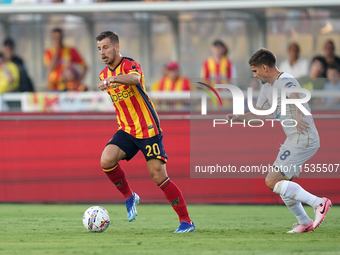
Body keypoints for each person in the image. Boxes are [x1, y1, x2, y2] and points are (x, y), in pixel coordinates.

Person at [96, 31, 195, 233]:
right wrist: (110, 80)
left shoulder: (130, 65)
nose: (102, 52)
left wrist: (114, 79)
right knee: (106, 160)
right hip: (126, 129)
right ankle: (130, 196)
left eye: (105, 47)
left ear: (116, 47)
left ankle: (186, 221)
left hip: (148, 128)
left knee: (158, 176)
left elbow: (134, 79)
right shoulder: (103, 75)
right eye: (99, 49)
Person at [227, 48, 332, 233]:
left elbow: (296, 96)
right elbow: (258, 115)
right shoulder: (266, 88)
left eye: (255, 70)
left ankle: (319, 203)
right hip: (294, 138)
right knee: (282, 183)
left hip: (303, 136)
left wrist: (299, 116)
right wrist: (238, 118)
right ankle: (305, 222)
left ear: (265, 67)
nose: (255, 74)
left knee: (272, 181)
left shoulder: (285, 79)